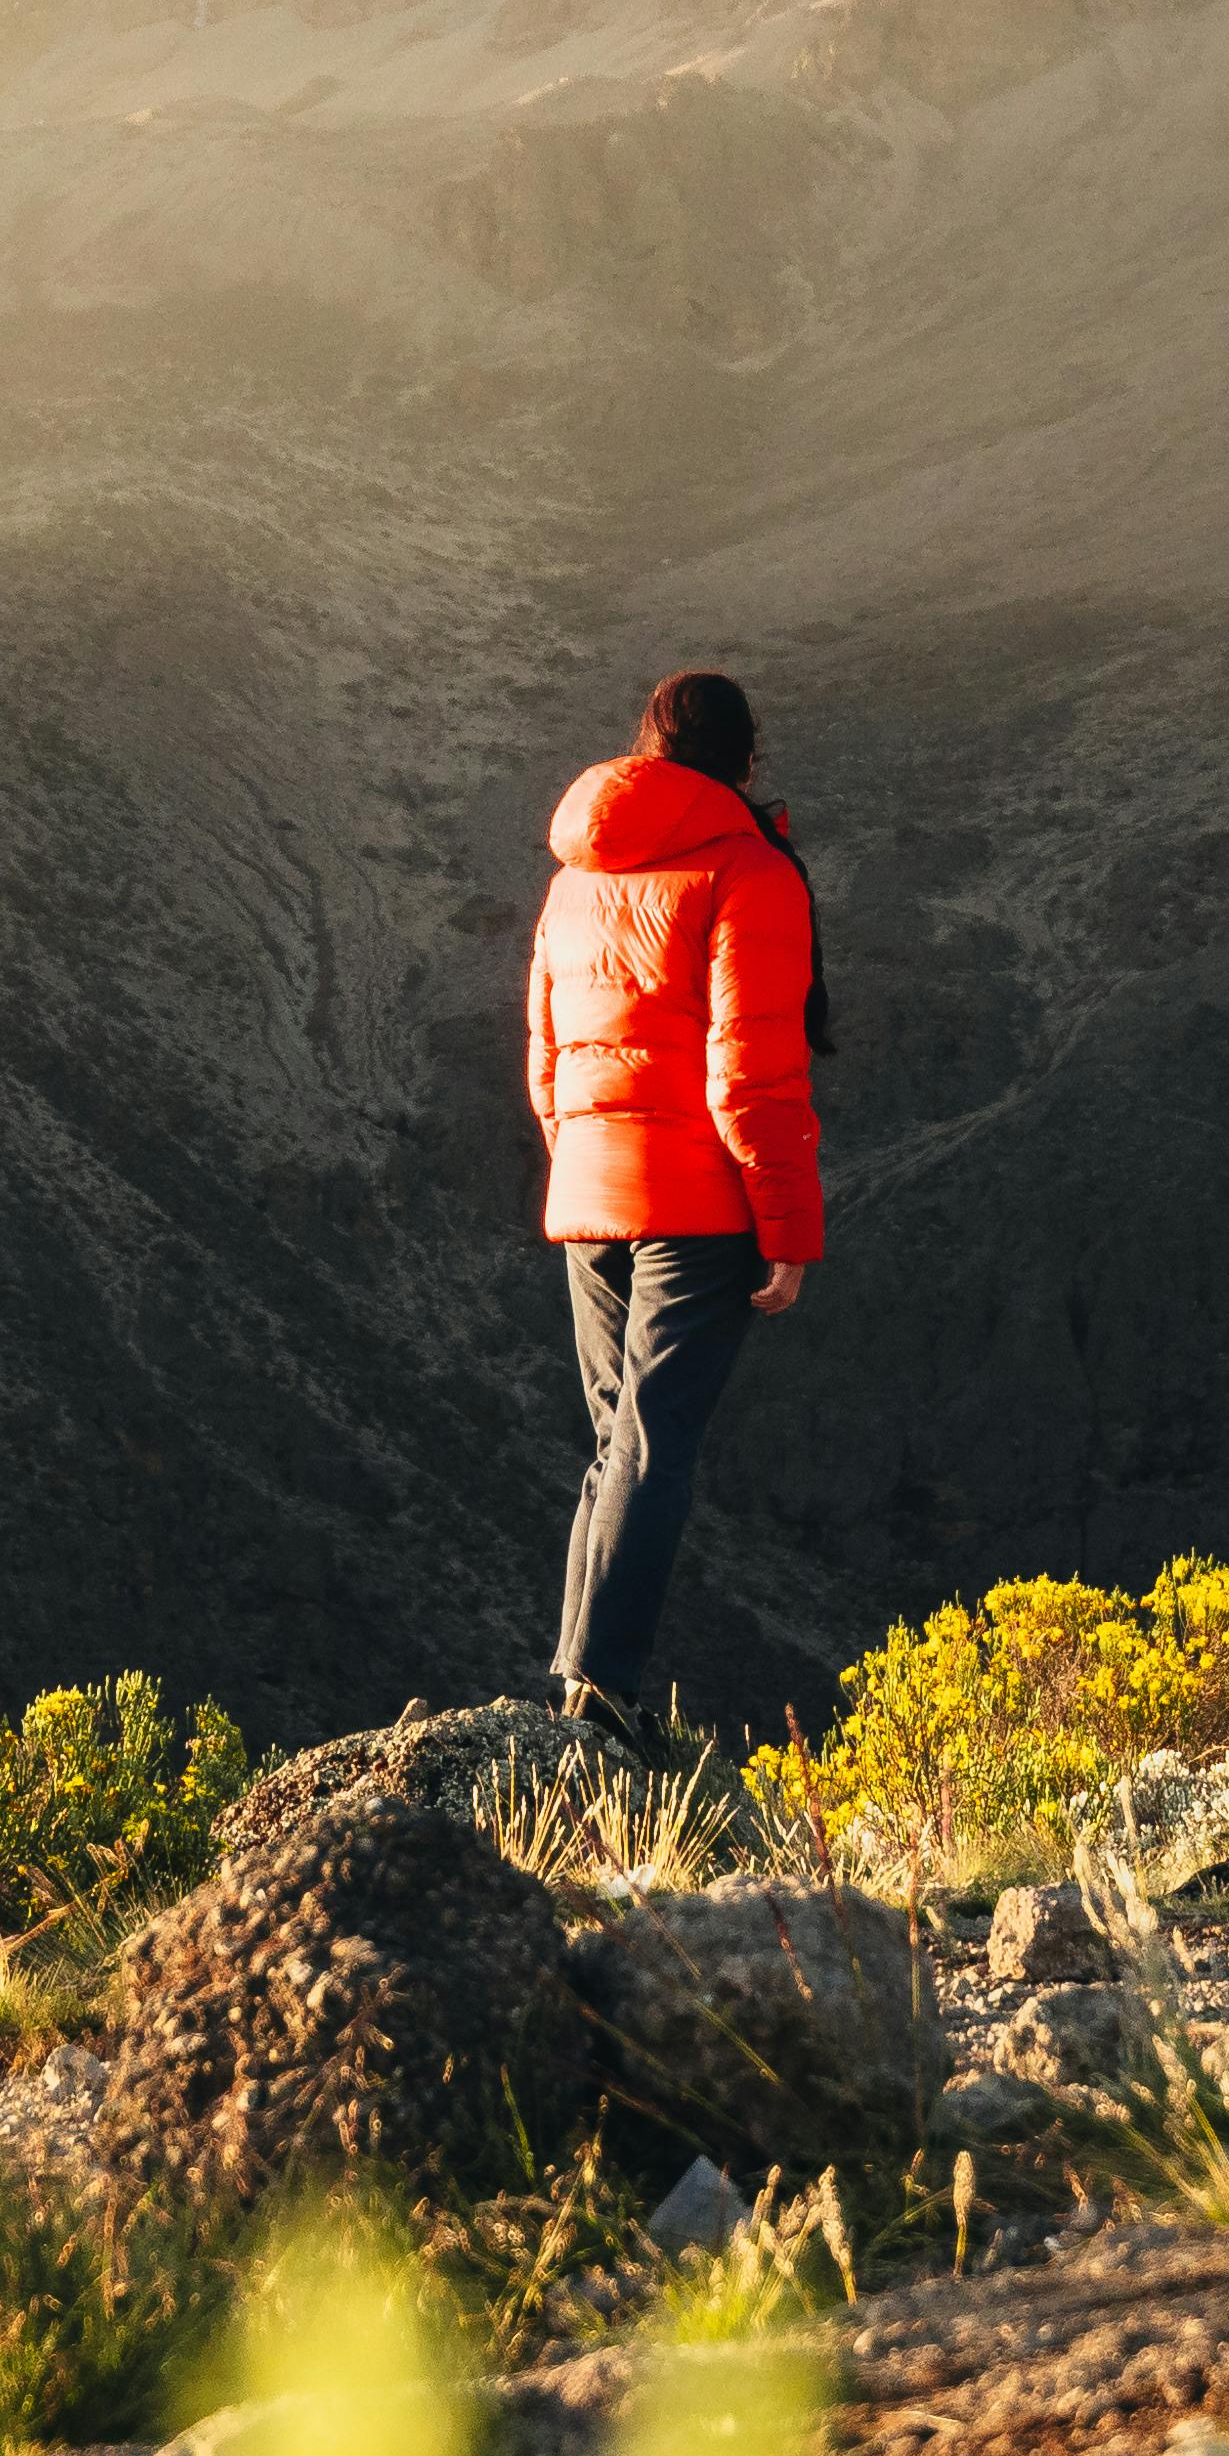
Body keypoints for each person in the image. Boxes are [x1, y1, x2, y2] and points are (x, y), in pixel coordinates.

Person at [525, 667, 821, 1729]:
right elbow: (750, 1070)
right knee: (651, 1448)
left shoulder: (573, 877)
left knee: (615, 1441)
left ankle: (573, 1683)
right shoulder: (750, 872)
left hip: (589, 1190)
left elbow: (547, 1055)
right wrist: (786, 1228)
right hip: (696, 1198)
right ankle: (599, 1699)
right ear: (745, 757)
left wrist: (579, 1162)